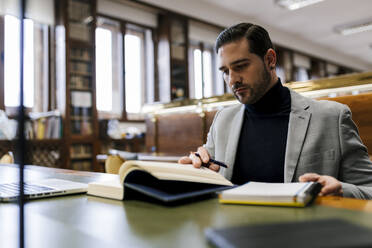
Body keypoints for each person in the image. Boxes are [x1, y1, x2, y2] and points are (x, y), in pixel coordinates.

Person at [178, 23, 372, 199]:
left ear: (270, 59)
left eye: (241, 66)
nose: (232, 80)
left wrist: (341, 190)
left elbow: (368, 189)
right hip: (232, 234)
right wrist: (197, 171)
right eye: (225, 71)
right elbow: (211, 176)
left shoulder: (332, 118)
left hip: (303, 235)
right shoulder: (223, 121)